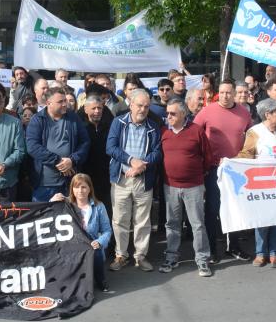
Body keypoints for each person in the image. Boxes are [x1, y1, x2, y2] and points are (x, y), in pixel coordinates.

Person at [237, 98, 276, 268]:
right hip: (262, 184)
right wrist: (230, 162)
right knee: (262, 220)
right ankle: (260, 253)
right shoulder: (255, 132)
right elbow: (246, 154)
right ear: (268, 114)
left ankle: (274, 253)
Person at [194, 79, 252, 263]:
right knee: (212, 210)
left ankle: (233, 246)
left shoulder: (244, 113)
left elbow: (252, 138)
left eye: (229, 92)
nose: (225, 96)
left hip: (235, 170)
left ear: (235, 93)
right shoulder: (207, 111)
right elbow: (195, 134)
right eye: (222, 92)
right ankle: (211, 249)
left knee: (235, 209)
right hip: (213, 169)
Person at [105, 89, 162, 272]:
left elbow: (157, 153)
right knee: (120, 219)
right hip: (121, 179)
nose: (143, 109)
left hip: (143, 179)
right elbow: (110, 147)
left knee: (142, 221)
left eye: (146, 106)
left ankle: (140, 256)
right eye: (139, 105)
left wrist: (141, 165)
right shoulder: (118, 123)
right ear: (130, 104)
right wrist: (131, 161)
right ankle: (121, 255)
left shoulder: (153, 127)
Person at [159, 99, 213, 276]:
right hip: (170, 186)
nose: (169, 116)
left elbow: (207, 157)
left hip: (194, 186)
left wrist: (197, 175)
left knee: (197, 224)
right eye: (167, 113)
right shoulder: (164, 132)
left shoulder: (196, 131)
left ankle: (202, 260)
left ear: (183, 114)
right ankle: (172, 256)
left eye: (173, 113)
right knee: (172, 224)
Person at [25, 87, 90, 202]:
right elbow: (32, 146)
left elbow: (85, 142)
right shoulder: (37, 119)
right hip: (44, 184)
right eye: (60, 102)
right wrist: (58, 161)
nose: (65, 104)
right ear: (48, 103)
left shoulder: (73, 117)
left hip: (69, 182)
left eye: (65, 100)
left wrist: (72, 160)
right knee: (43, 217)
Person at [51, 174, 112, 291]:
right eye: (76, 187)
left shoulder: (99, 206)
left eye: (84, 187)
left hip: (90, 244)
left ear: (90, 189)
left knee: (97, 251)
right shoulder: (65, 203)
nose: (80, 191)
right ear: (72, 189)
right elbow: (46, 214)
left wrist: (99, 242)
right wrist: (52, 201)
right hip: (71, 244)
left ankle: (100, 279)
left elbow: (107, 230)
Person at [78, 95, 114, 216]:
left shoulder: (110, 126)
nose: (97, 111)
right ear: (85, 109)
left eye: (99, 108)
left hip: (105, 177)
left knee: (106, 211)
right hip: (86, 176)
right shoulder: (79, 127)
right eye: (93, 108)